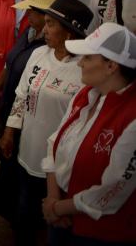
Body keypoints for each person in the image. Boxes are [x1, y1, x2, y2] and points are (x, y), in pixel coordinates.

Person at [0, 0, 93, 244]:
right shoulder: (40, 54)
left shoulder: (84, 69)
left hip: (60, 165)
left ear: (70, 33)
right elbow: (21, 93)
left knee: (52, 220)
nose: (44, 28)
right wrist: (10, 130)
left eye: (51, 24)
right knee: (24, 211)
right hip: (28, 149)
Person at [43, 23, 136, 245]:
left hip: (99, 233)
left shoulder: (131, 116)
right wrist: (53, 197)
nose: (80, 63)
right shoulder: (87, 95)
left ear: (111, 65)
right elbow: (55, 142)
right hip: (63, 215)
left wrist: (57, 208)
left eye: (87, 58)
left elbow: (113, 187)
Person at [0, 0, 68, 224]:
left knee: (29, 182)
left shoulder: (51, 49)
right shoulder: (30, 34)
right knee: (15, 172)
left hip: (33, 125)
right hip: (15, 112)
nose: (27, 14)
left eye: (33, 10)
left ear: (49, 17)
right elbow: (10, 63)